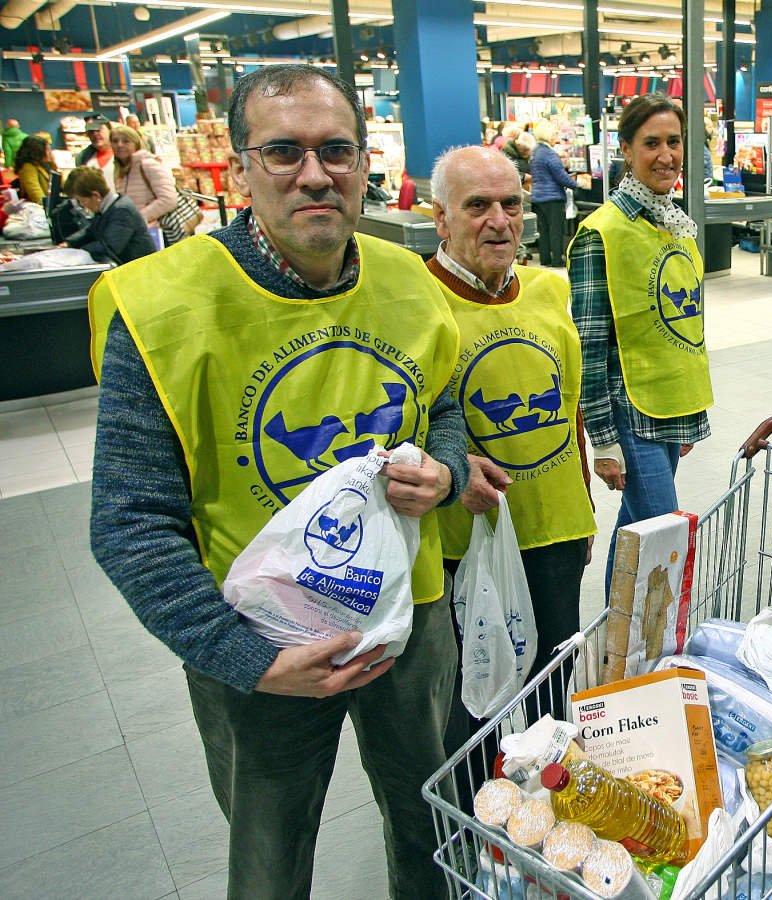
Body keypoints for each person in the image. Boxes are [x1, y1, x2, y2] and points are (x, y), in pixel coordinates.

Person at [87, 64, 468, 899]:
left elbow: (445, 410)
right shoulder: (162, 306)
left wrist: (446, 471)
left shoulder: (410, 279)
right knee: (269, 857)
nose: (315, 173)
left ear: (365, 163)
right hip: (262, 644)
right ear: (237, 169)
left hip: (407, 620)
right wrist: (246, 659)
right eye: (283, 152)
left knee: (429, 823)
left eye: (336, 150)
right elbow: (129, 521)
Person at [427, 144, 596, 764]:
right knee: (474, 696)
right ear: (441, 217)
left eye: (511, 203)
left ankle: (546, 808)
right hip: (462, 543)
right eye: (478, 206)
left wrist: (580, 511)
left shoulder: (550, 290)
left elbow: (569, 403)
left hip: (552, 527)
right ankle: (480, 821)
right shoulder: (419, 302)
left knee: (554, 677)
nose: (499, 220)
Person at [568, 92, 711, 592]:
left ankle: (615, 639)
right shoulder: (600, 234)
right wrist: (603, 441)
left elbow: (685, 327)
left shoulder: (674, 225)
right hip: (629, 412)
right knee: (663, 534)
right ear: (626, 150)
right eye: (651, 143)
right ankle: (645, 643)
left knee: (636, 529)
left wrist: (688, 413)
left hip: (669, 406)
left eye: (674, 142)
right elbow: (588, 348)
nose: (666, 155)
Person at [57, 167, 155, 264]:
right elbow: (90, 231)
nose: (82, 205)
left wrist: (78, 251)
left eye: (82, 201)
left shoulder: (122, 211)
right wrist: (69, 243)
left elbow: (109, 247)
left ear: (96, 195)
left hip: (140, 270)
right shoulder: (105, 208)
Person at [109, 124, 178, 236]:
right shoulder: (119, 170)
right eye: (115, 141)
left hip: (157, 231)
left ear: (136, 144)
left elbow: (169, 199)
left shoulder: (147, 164)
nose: (119, 145)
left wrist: (138, 218)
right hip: (136, 232)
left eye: (126, 141)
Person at [529, 120, 579, 268]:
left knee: (543, 230)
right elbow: (561, 176)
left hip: (537, 197)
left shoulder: (535, 152)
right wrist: (577, 185)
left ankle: (545, 258)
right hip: (552, 197)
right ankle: (557, 259)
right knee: (556, 229)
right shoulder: (549, 153)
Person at [12, 134, 55, 203]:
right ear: (38, 152)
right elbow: (35, 193)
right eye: (47, 150)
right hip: (36, 209)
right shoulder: (28, 168)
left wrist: (54, 164)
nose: (50, 152)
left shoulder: (44, 165)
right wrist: (46, 208)